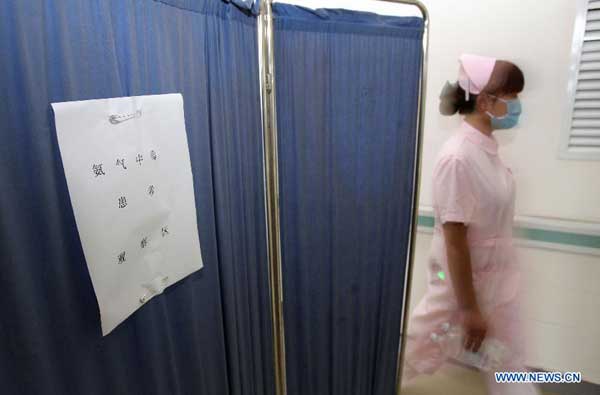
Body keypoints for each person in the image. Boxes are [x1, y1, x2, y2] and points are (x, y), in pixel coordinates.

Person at [401, 54, 541, 395]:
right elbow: (455, 241)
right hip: (457, 287)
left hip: (497, 285)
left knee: (509, 363)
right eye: (512, 95)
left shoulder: (488, 152)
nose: (517, 104)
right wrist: (469, 308)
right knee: (415, 356)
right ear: (484, 100)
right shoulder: (457, 157)